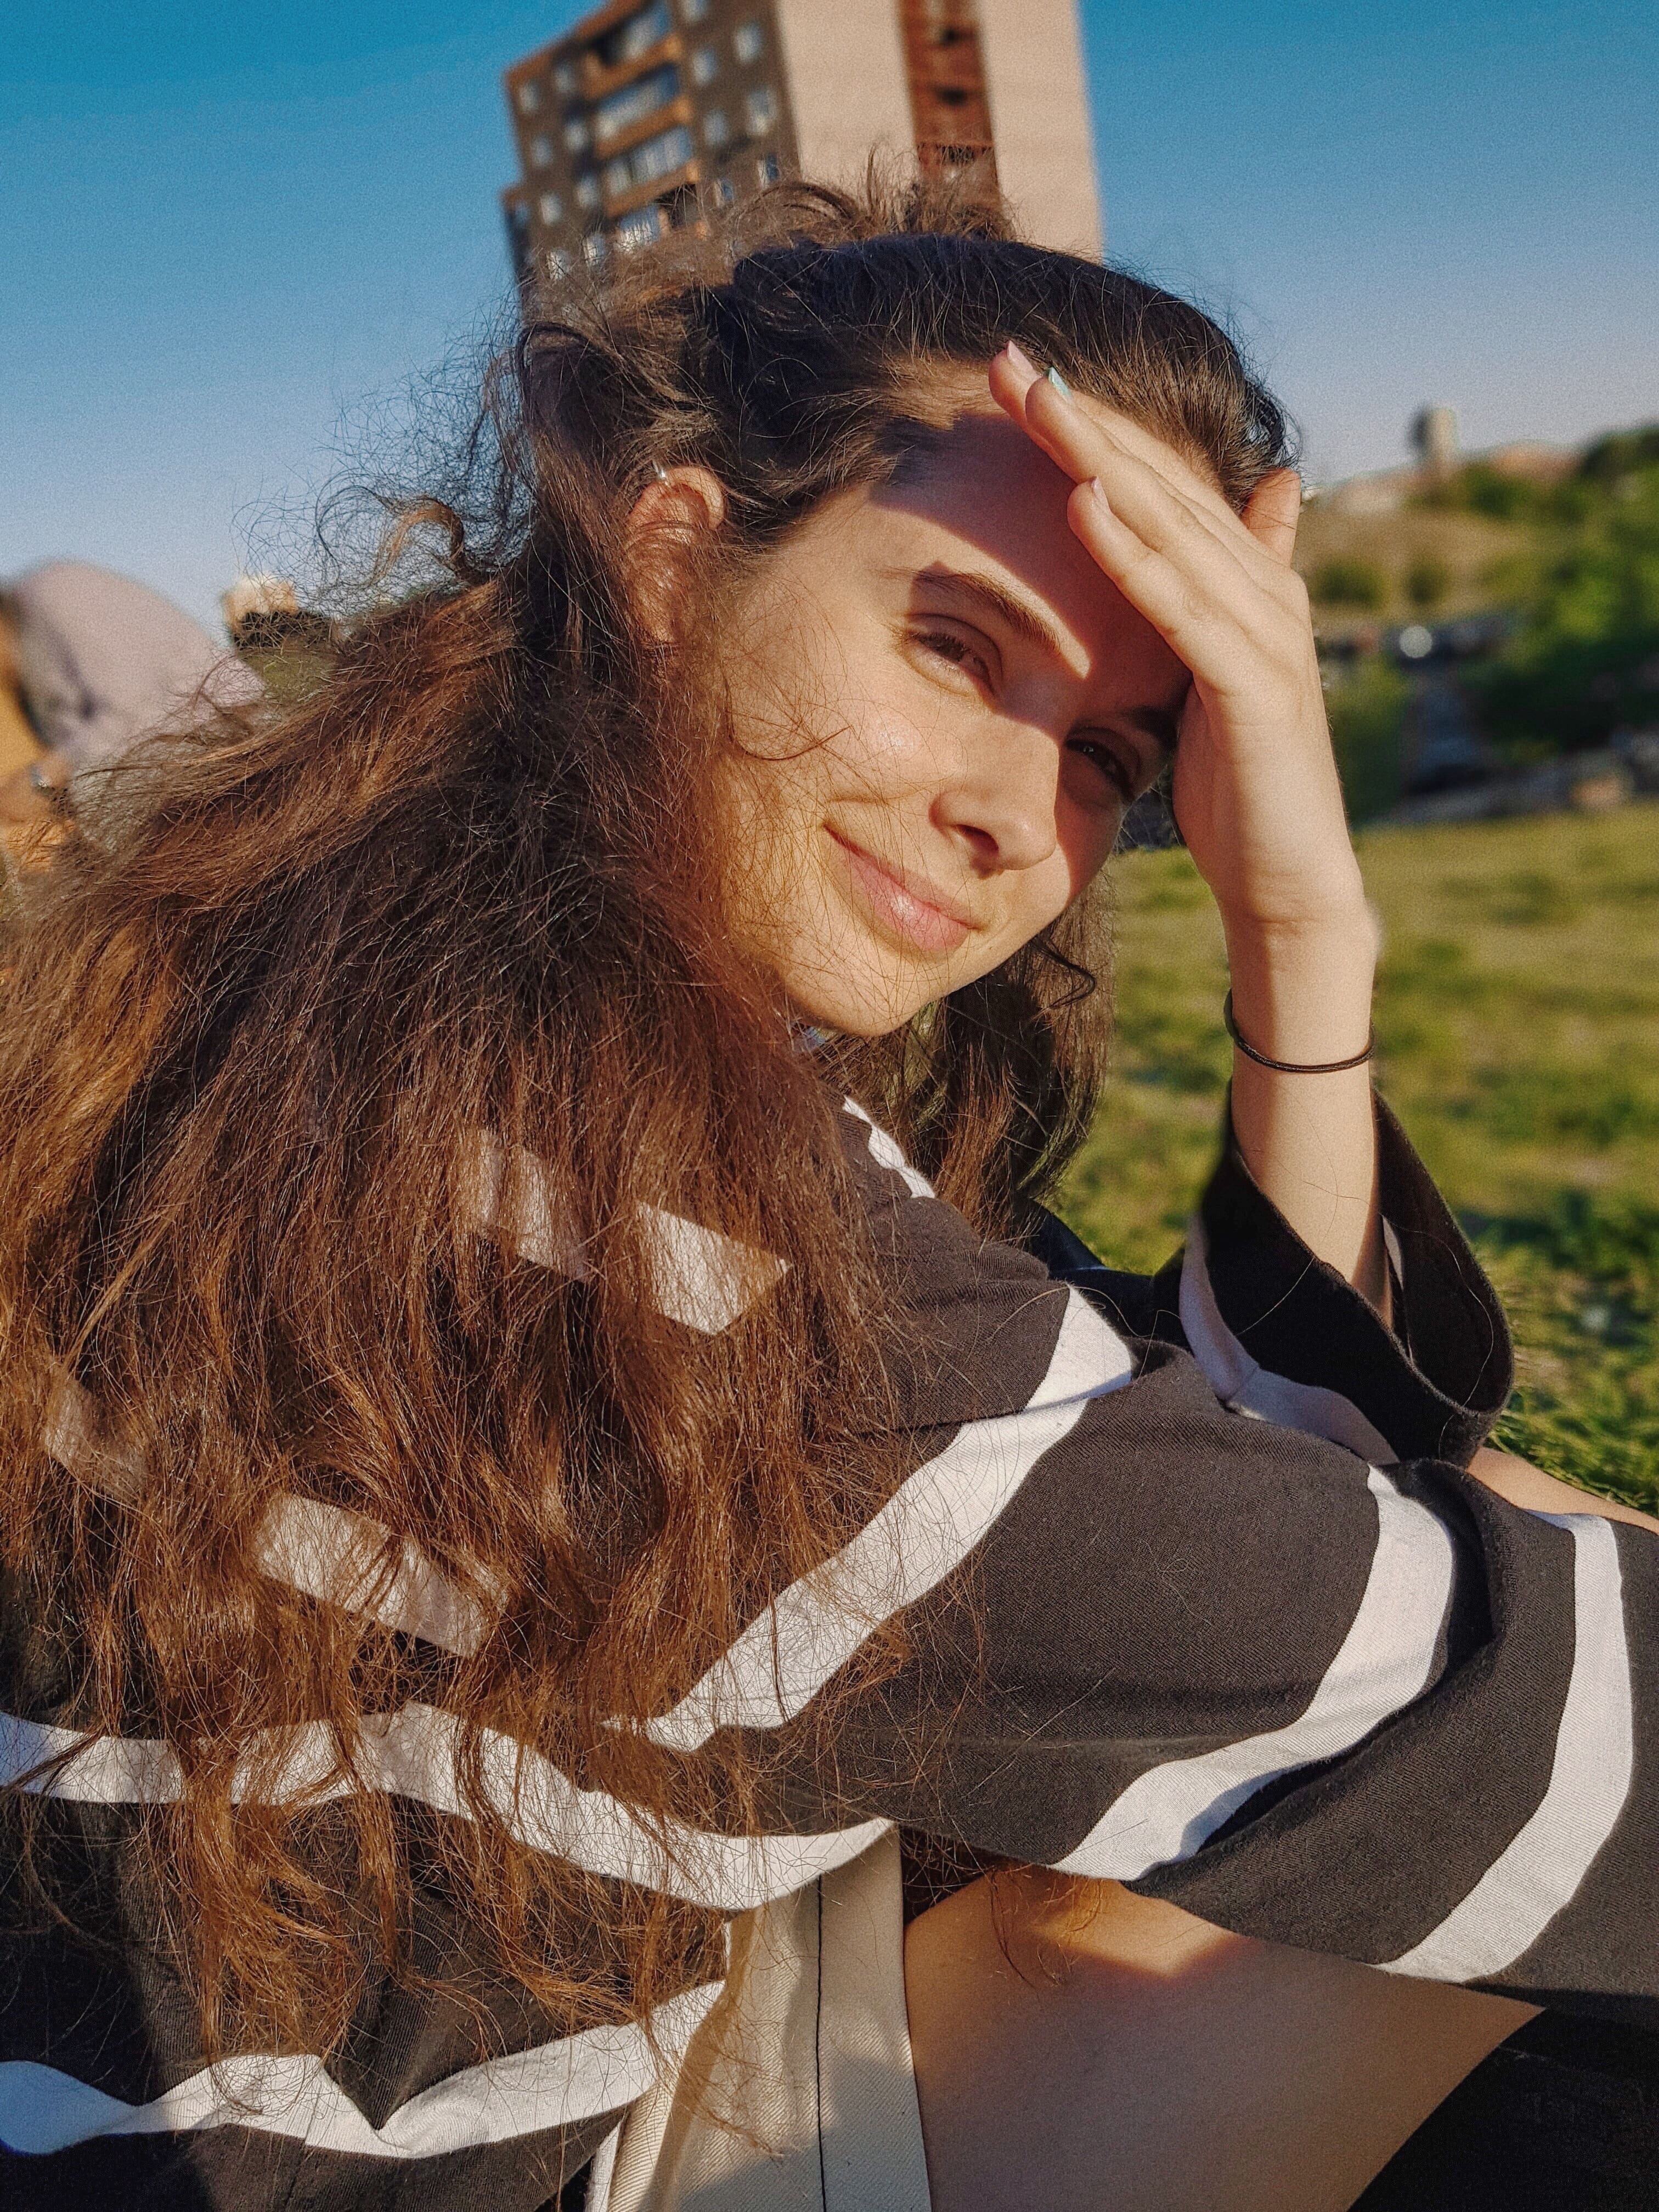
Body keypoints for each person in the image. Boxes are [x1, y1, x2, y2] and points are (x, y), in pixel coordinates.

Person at [1, 179, 1655, 2212]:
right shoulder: (677, 1259)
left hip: (359, 2040)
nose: (1012, 814)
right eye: (955, 642)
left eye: (1110, 757)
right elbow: (1512, 1715)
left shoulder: (387, 977)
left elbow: (1273, 1496)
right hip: (430, 2165)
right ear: (677, 556)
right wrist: (1305, 915)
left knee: (1482, 1567)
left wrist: (1293, 923)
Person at [0, 561, 263, 833]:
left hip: (239, 760)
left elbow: (135, 706)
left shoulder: (54, 591)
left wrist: (40, 780)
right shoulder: (25, 678)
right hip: (185, 793)